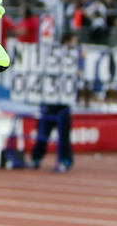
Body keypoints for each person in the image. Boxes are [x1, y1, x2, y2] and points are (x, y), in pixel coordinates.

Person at [30, 31, 79, 172]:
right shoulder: (51, 56)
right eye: (73, 42)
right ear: (66, 41)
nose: (75, 45)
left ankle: (65, 160)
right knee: (43, 133)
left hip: (63, 103)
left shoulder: (73, 58)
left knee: (64, 136)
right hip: (50, 102)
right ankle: (36, 158)